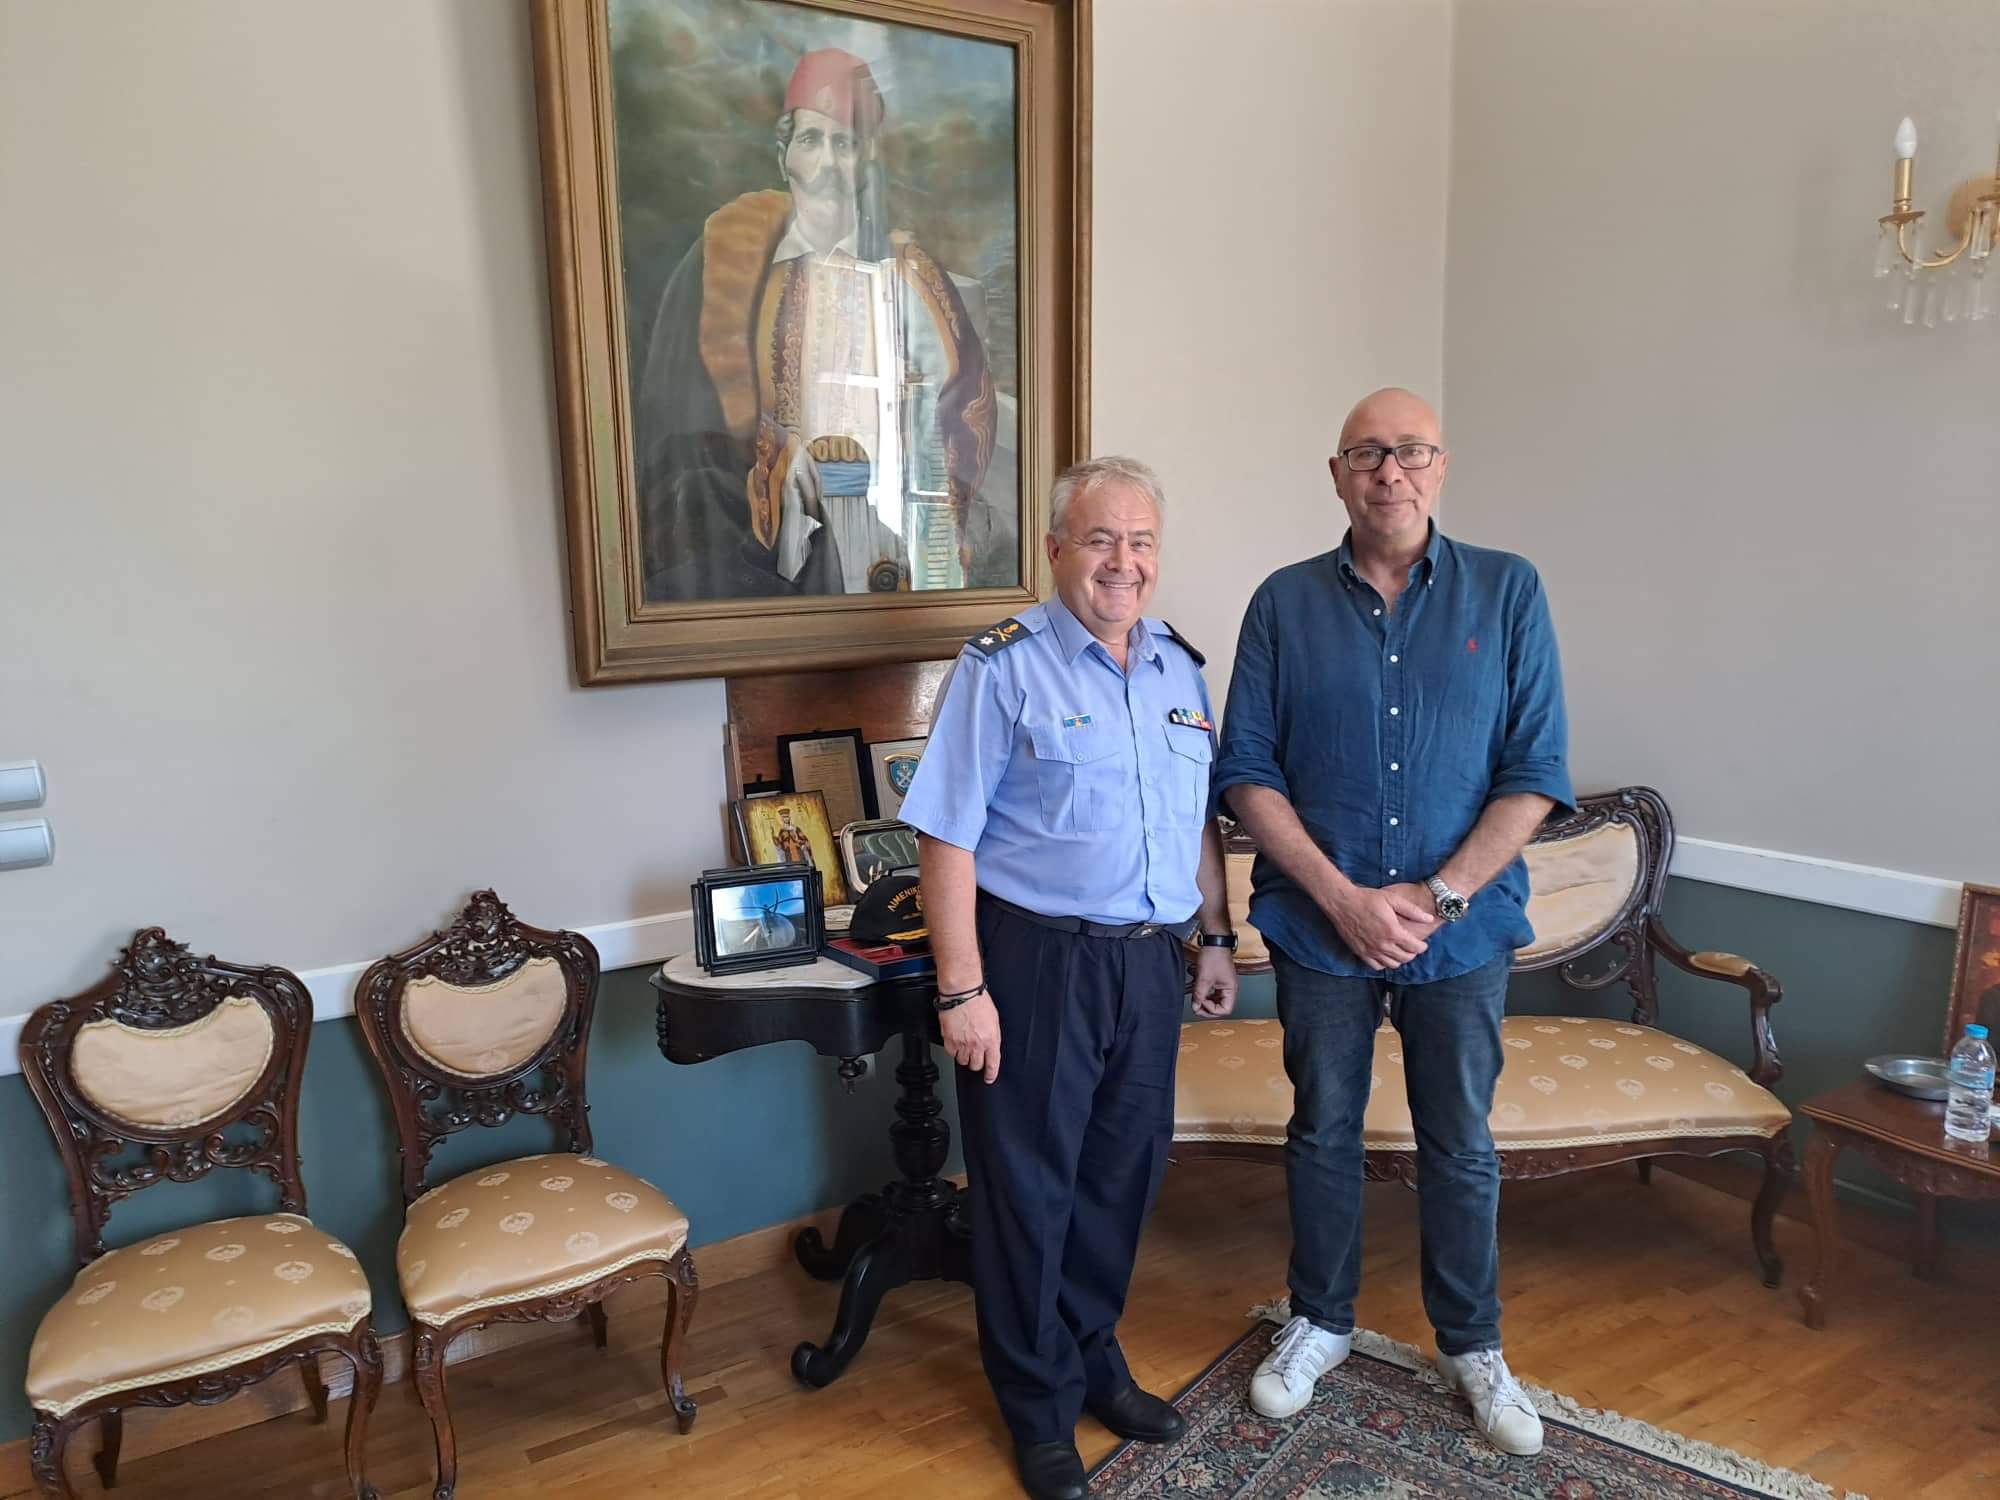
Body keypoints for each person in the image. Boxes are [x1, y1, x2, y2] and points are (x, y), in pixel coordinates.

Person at [1212, 388, 1572, 1456]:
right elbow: (1246, 770)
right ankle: (1318, 1321)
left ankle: (1472, 1344)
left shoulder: (1508, 590)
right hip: (1318, 927)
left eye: (1410, 451)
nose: (1389, 472)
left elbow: (1534, 771)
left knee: (1459, 1142)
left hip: (1460, 933)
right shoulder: (1282, 602)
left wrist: (1439, 896)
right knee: (1321, 1130)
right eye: (1367, 453)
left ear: (1440, 467)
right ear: (1336, 475)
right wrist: (1341, 898)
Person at [898, 456, 1240, 1500]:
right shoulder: (1002, 667)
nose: (1121, 562)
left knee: (1118, 1180)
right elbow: (945, 838)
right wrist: (962, 991)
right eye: (1099, 540)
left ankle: (1093, 1356)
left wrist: (1215, 936)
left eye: (1139, 541)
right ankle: (1036, 1403)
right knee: (1028, 1191)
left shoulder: (1178, 669)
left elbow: (1194, 822)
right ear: (1055, 551)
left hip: (1147, 964)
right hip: (1036, 961)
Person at [632, 47, 998, 601]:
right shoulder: (726, 264)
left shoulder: (911, 277)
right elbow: (685, 424)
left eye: (843, 143)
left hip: (891, 532)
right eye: (810, 140)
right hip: (773, 541)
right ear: (785, 157)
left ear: (865, 158)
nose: (826, 163)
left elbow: (962, 409)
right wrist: (774, 458)